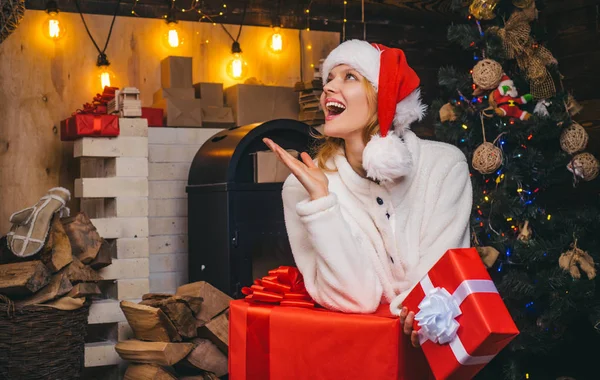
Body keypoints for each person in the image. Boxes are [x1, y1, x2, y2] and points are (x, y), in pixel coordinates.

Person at [263, 39, 472, 347]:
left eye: (349, 76)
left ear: (383, 95)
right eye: (329, 79)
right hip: (359, 353)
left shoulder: (443, 166)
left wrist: (415, 312)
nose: (328, 88)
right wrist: (322, 205)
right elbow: (355, 299)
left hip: (434, 348)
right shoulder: (302, 188)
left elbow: (437, 279)